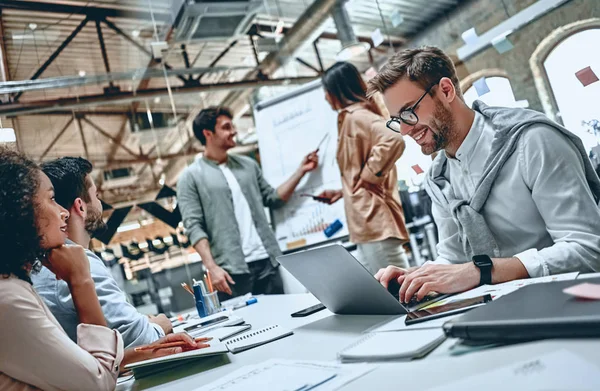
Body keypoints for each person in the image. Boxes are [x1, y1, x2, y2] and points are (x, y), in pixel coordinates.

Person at [368, 46, 600, 303]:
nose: (404, 130)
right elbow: (454, 260)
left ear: (446, 90)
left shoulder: (532, 141)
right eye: (397, 120)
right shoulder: (437, 178)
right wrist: (416, 278)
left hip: (569, 301)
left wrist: (482, 271)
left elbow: (588, 249)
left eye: (409, 112)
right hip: (500, 309)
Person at [0, 148, 201, 391]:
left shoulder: (15, 286)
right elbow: (97, 383)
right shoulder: (8, 298)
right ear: (20, 211)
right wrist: (80, 278)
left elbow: (75, 367)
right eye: (51, 199)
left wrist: (145, 354)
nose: (62, 211)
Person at [177, 106, 319, 300]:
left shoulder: (248, 165)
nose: (234, 131)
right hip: (231, 272)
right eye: (226, 127)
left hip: (267, 262)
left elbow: (274, 198)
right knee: (247, 328)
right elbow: (194, 226)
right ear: (207, 133)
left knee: (285, 322)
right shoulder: (190, 177)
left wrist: (301, 170)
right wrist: (212, 268)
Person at [31, 157, 172, 348]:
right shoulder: (72, 262)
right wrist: (159, 325)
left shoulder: (43, 264)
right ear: (81, 206)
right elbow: (140, 339)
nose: (101, 205)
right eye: (96, 196)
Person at [316, 62, 410, 273]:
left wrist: (369, 177)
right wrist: (343, 191)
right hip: (367, 225)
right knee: (381, 294)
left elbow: (394, 139)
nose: (325, 97)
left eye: (326, 91)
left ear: (336, 91)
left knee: (400, 294)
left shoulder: (356, 116)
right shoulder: (352, 117)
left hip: (374, 222)